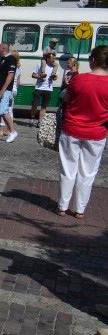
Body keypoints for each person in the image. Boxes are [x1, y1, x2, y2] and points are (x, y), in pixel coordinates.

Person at [56, 45, 108, 219]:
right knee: (88, 172)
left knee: (68, 168)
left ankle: (62, 206)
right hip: (97, 132)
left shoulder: (79, 79)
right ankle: (79, 209)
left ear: (93, 60)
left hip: (72, 128)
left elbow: (67, 98)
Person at [31, 51, 58, 126]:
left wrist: (54, 77)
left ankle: (40, 122)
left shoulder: (54, 67)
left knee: (44, 106)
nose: (54, 60)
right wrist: (40, 77)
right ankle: (32, 118)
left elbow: (55, 78)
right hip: (39, 87)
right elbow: (33, 75)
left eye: (54, 59)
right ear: (48, 58)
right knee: (35, 105)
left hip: (48, 89)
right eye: (52, 58)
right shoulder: (40, 65)